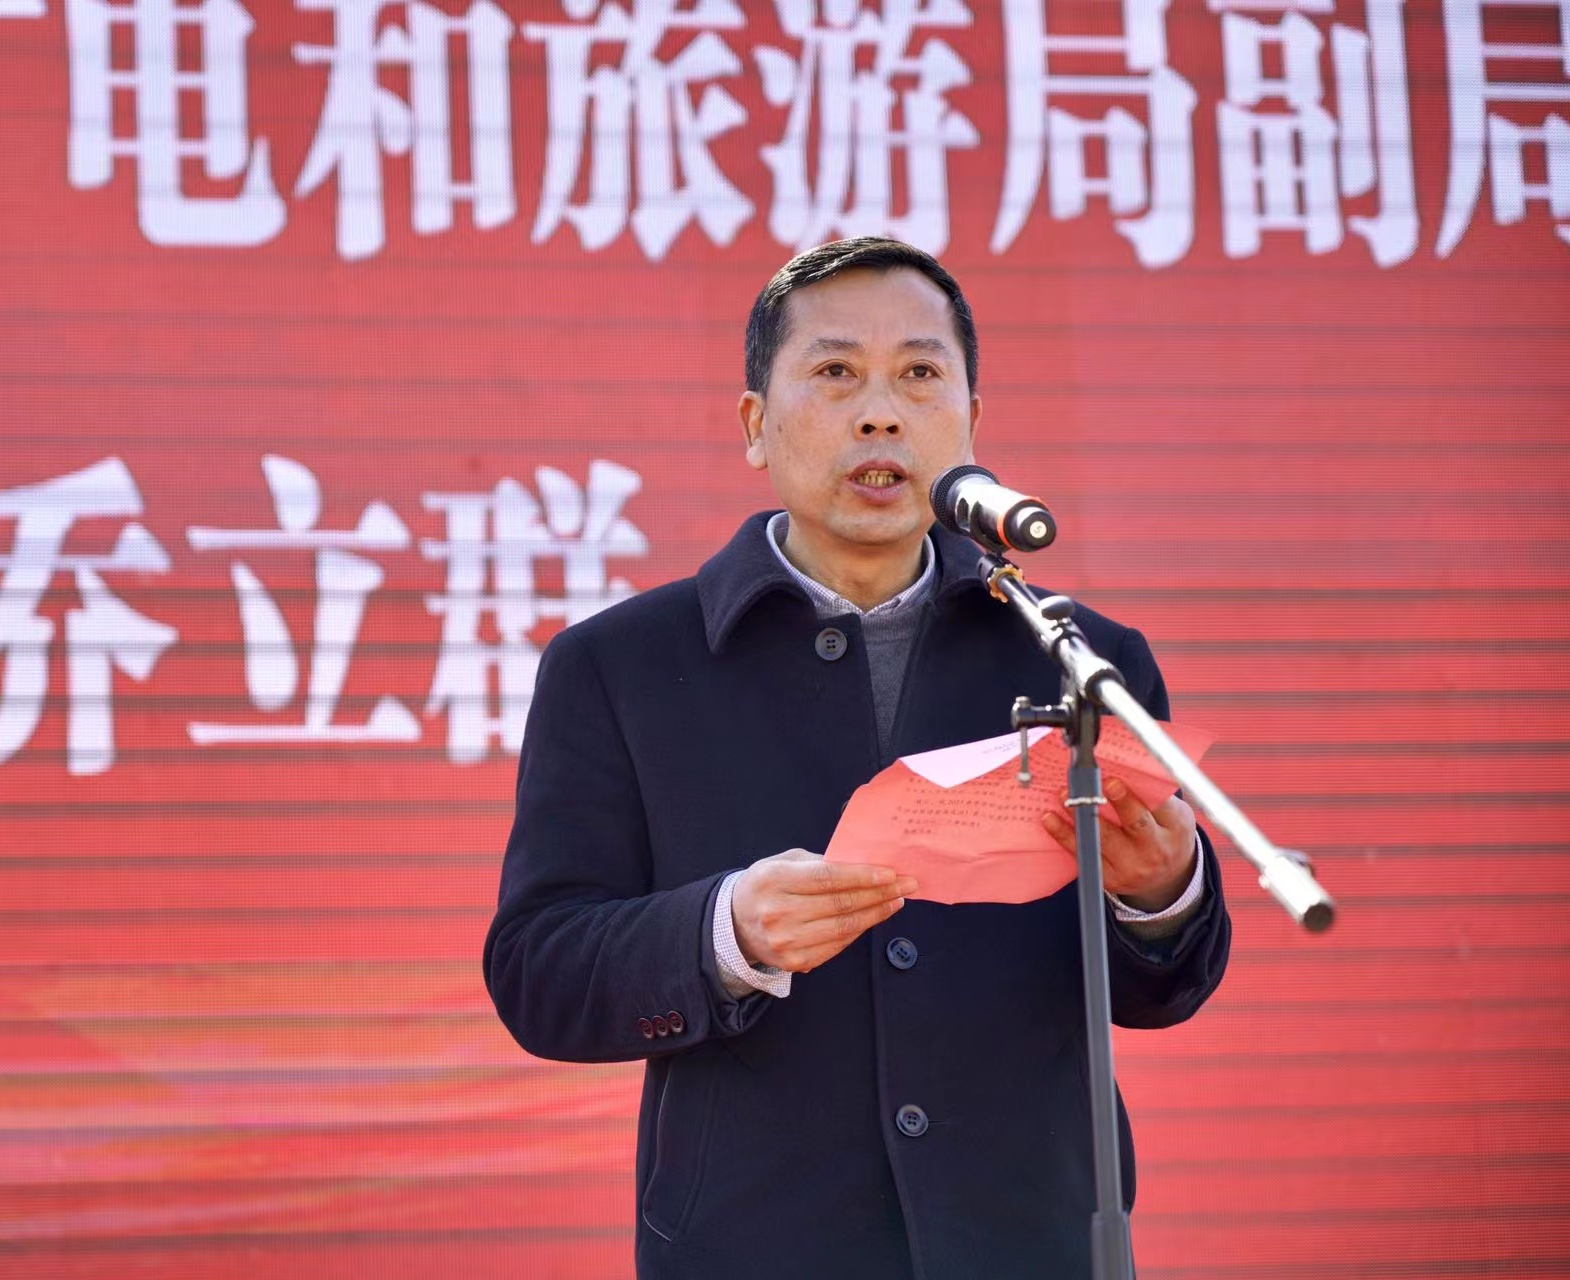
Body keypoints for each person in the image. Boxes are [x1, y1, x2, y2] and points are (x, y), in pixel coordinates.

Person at [482, 237, 1231, 1280]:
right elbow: (539, 969)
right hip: (753, 1248)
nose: (881, 413)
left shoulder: (1082, 664)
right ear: (756, 424)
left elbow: (1160, 989)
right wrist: (724, 931)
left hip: (1031, 1240)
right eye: (836, 371)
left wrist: (1160, 893)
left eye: (920, 373)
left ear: (972, 419)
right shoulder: (620, 667)